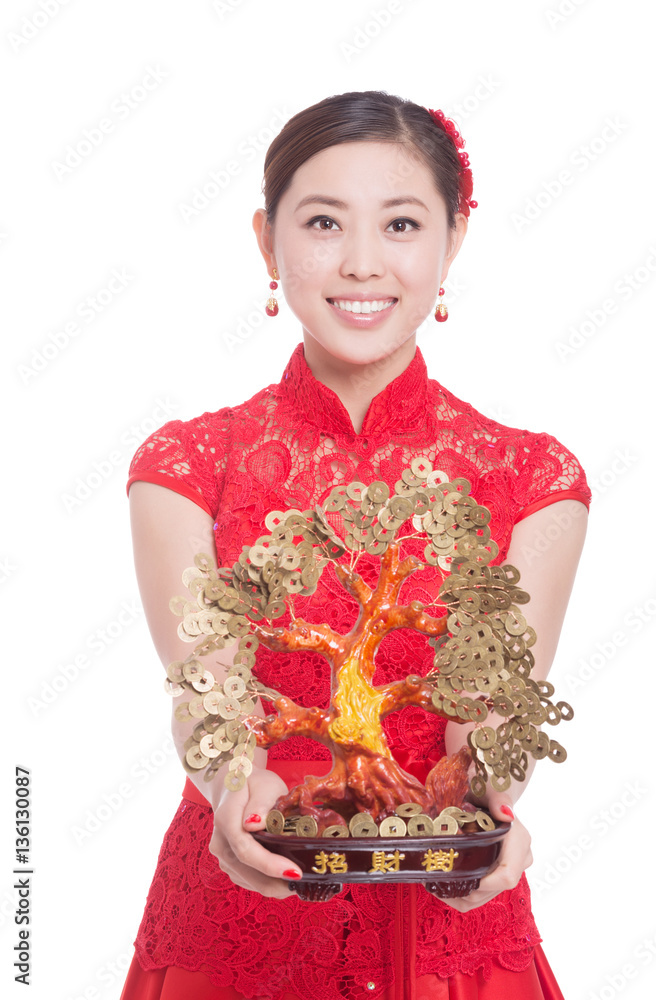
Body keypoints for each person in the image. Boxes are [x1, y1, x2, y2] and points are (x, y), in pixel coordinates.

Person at [119, 90, 590, 1000]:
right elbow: (209, 695)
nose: (363, 263)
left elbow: (489, 709)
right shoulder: (188, 465)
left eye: (403, 223)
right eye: (324, 222)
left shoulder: (531, 478)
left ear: (452, 242)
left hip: (449, 933)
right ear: (268, 241)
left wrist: (492, 807)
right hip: (238, 924)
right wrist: (234, 785)